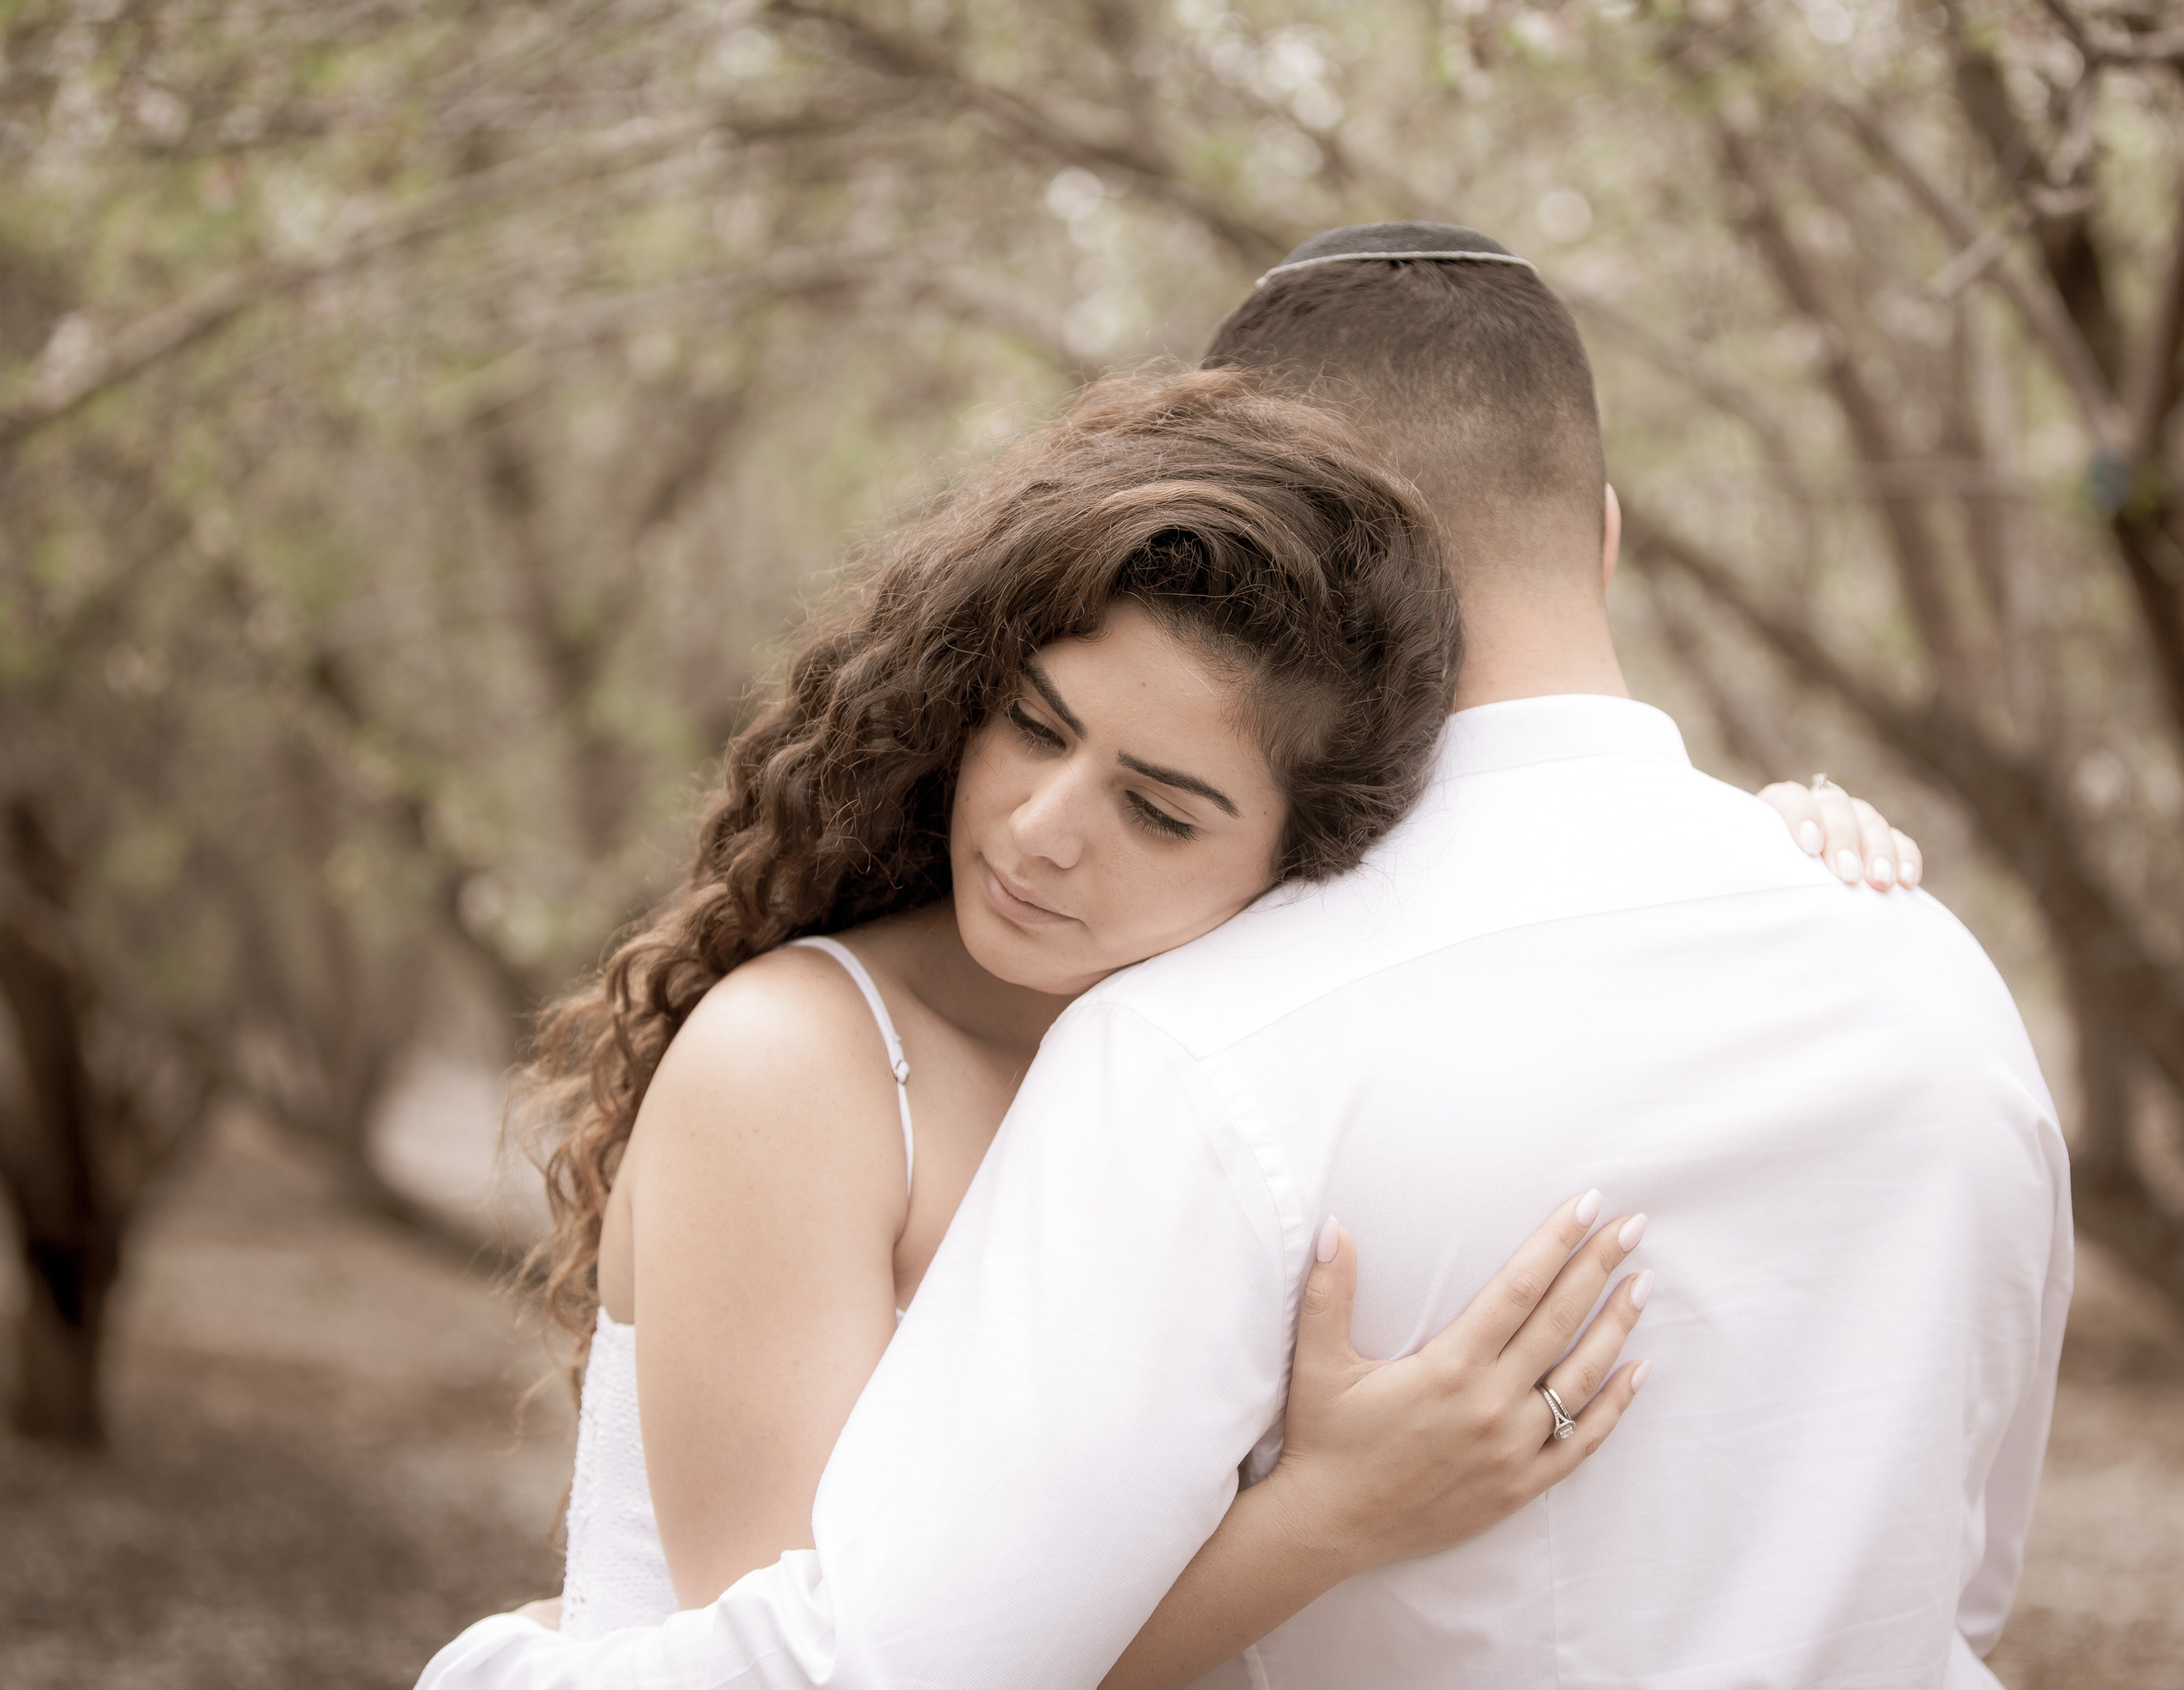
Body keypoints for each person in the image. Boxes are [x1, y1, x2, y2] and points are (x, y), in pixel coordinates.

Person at [423, 224, 2062, 1690]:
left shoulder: (1239, 1041)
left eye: (1164, 804)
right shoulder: (1940, 996)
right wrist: (1326, 1516)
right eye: (1034, 725)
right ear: (1605, 539)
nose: (1050, 830)